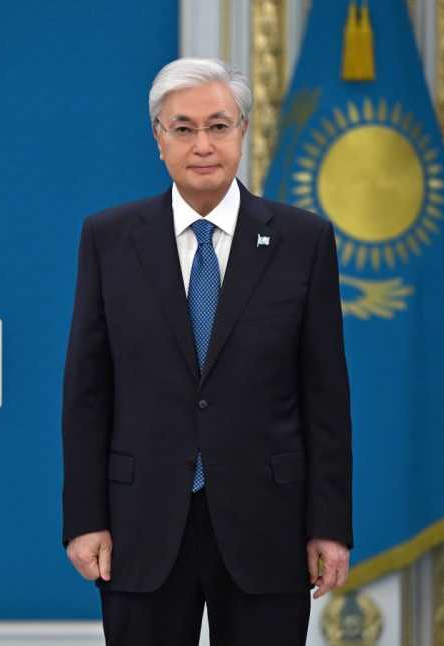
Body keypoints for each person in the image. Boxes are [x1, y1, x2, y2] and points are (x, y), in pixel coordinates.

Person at [61, 58, 352, 645]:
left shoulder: (303, 240)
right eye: (183, 128)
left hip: (269, 523)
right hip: (141, 523)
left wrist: (330, 526)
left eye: (218, 126)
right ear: (158, 137)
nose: (202, 145)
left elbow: (325, 397)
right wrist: (85, 520)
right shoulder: (109, 239)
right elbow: (88, 393)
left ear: (242, 130)